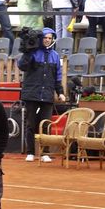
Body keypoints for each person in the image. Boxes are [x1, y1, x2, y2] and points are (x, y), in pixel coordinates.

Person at [18, 28, 66, 163]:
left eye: (50, 38)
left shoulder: (55, 55)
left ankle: (44, 152)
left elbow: (57, 76)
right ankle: (31, 152)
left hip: (47, 94)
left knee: (46, 124)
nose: (47, 40)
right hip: (31, 93)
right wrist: (27, 51)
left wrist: (60, 92)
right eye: (45, 37)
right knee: (31, 124)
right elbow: (22, 66)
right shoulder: (33, 53)